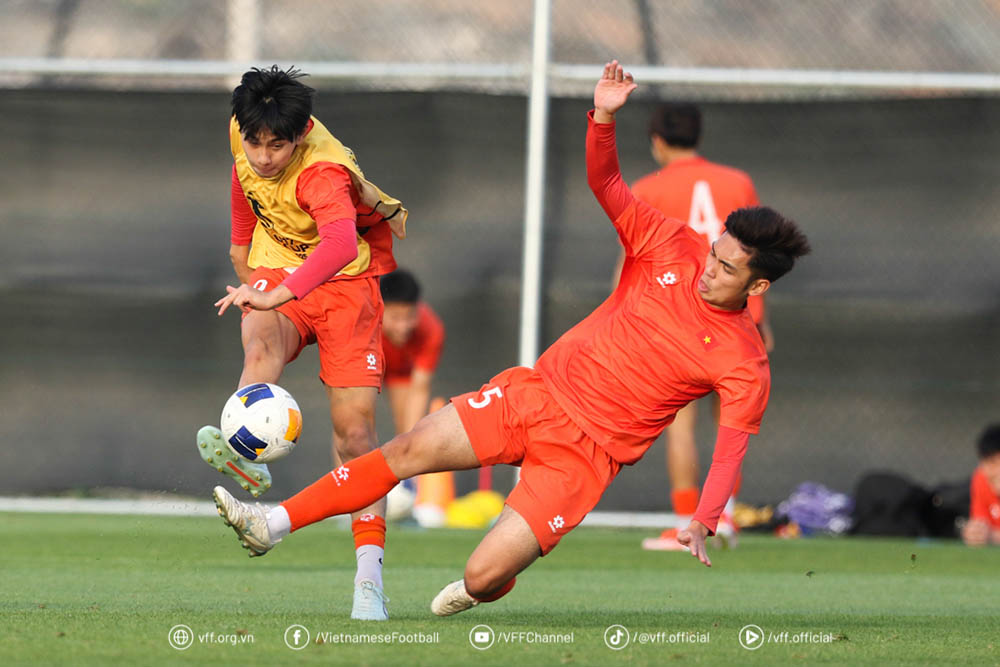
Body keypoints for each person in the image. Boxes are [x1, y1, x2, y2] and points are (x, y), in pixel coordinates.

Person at [211, 61, 810, 616]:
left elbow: (730, 448)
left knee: (482, 575)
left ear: (757, 286)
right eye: (714, 253)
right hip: (533, 395)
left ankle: (489, 580)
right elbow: (607, 184)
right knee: (402, 452)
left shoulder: (745, 361)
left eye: (727, 268)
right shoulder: (674, 245)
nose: (709, 268)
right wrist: (603, 118)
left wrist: (705, 517)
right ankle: (271, 524)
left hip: (585, 459)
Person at [198, 65, 407, 621]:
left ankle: (369, 579)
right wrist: (241, 254)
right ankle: (251, 457)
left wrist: (278, 293)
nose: (264, 156)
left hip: (346, 287)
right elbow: (243, 178)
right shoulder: (243, 130)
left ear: (301, 134)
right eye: (256, 142)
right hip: (277, 269)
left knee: (356, 436)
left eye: (278, 146)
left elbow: (340, 245)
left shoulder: (322, 174)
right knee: (259, 345)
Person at [612, 102, 768, 551]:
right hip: (739, 319)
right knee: (731, 423)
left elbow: (631, 261)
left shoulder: (648, 187)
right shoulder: (737, 181)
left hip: (679, 320)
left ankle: (685, 523)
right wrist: (764, 320)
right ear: (698, 136)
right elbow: (757, 256)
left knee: (680, 421)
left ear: (657, 141)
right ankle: (724, 519)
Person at [379, 269, 453, 526]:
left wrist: (409, 445)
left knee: (408, 434)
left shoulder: (431, 329)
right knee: (353, 427)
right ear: (379, 308)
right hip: (364, 360)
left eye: (409, 317)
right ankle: (347, 499)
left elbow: (419, 389)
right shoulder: (363, 321)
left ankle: (408, 496)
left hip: (401, 373)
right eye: (395, 318)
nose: (403, 326)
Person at [962, 424, 1000, 547]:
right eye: (985, 463)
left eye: (993, 463)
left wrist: (992, 537)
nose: (988, 471)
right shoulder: (981, 479)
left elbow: (991, 535)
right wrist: (974, 533)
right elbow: (980, 523)